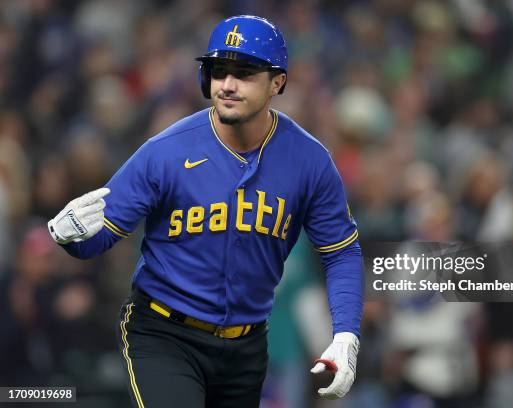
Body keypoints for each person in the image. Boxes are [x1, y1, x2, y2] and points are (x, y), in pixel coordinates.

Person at [47, 15, 363, 408]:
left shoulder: (310, 160)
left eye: (244, 73)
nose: (227, 85)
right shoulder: (167, 152)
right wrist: (68, 237)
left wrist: (346, 333)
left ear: (277, 82)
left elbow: (341, 251)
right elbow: (102, 236)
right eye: (219, 71)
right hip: (164, 334)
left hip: (246, 346)